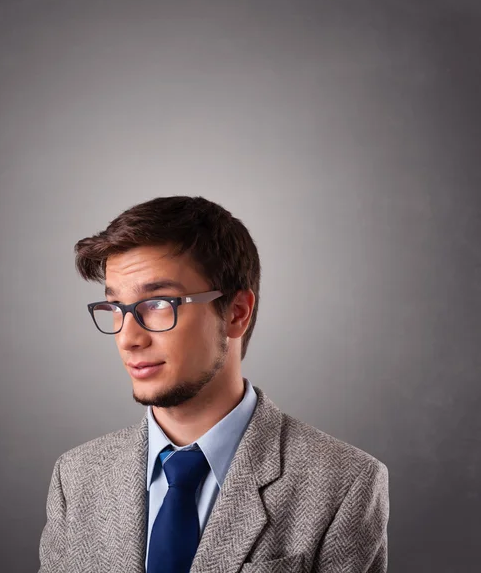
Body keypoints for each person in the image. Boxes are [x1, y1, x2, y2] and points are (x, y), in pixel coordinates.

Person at [37, 195, 389, 573]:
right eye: (115, 308)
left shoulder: (344, 483)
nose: (128, 338)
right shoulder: (76, 476)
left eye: (157, 304)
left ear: (237, 313)